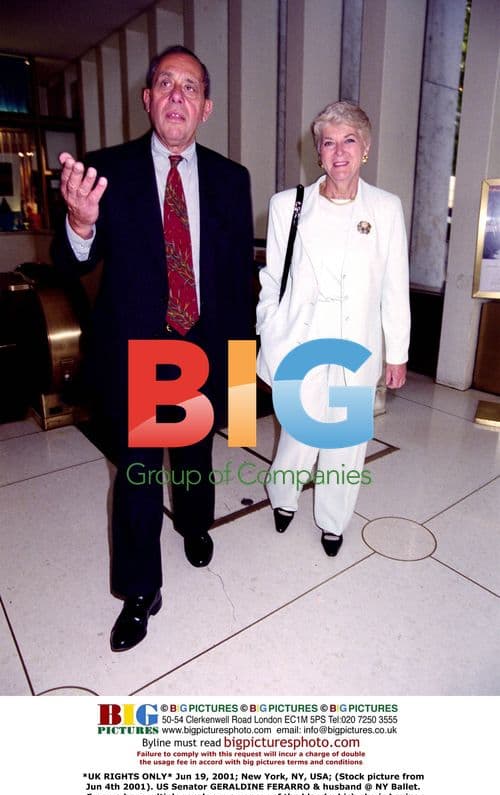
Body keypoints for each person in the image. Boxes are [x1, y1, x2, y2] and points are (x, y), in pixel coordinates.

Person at [51, 45, 254, 651]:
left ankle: (194, 524)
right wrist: (80, 225)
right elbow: (67, 264)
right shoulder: (104, 170)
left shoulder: (231, 178)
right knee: (139, 473)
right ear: (148, 99)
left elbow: (237, 278)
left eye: (190, 87)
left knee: (194, 451)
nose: (176, 96)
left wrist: (241, 383)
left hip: (204, 345)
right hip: (138, 350)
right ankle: (140, 591)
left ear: (206, 108)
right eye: (165, 83)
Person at [256, 100, 410, 557]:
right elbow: (272, 275)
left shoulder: (385, 208)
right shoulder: (289, 205)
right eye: (329, 143)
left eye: (349, 141)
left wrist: (396, 351)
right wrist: (269, 325)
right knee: (300, 435)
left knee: (346, 441)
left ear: (365, 149)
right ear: (317, 153)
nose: (338, 152)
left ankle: (333, 520)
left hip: (356, 345)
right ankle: (283, 498)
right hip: (302, 341)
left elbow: (394, 284)